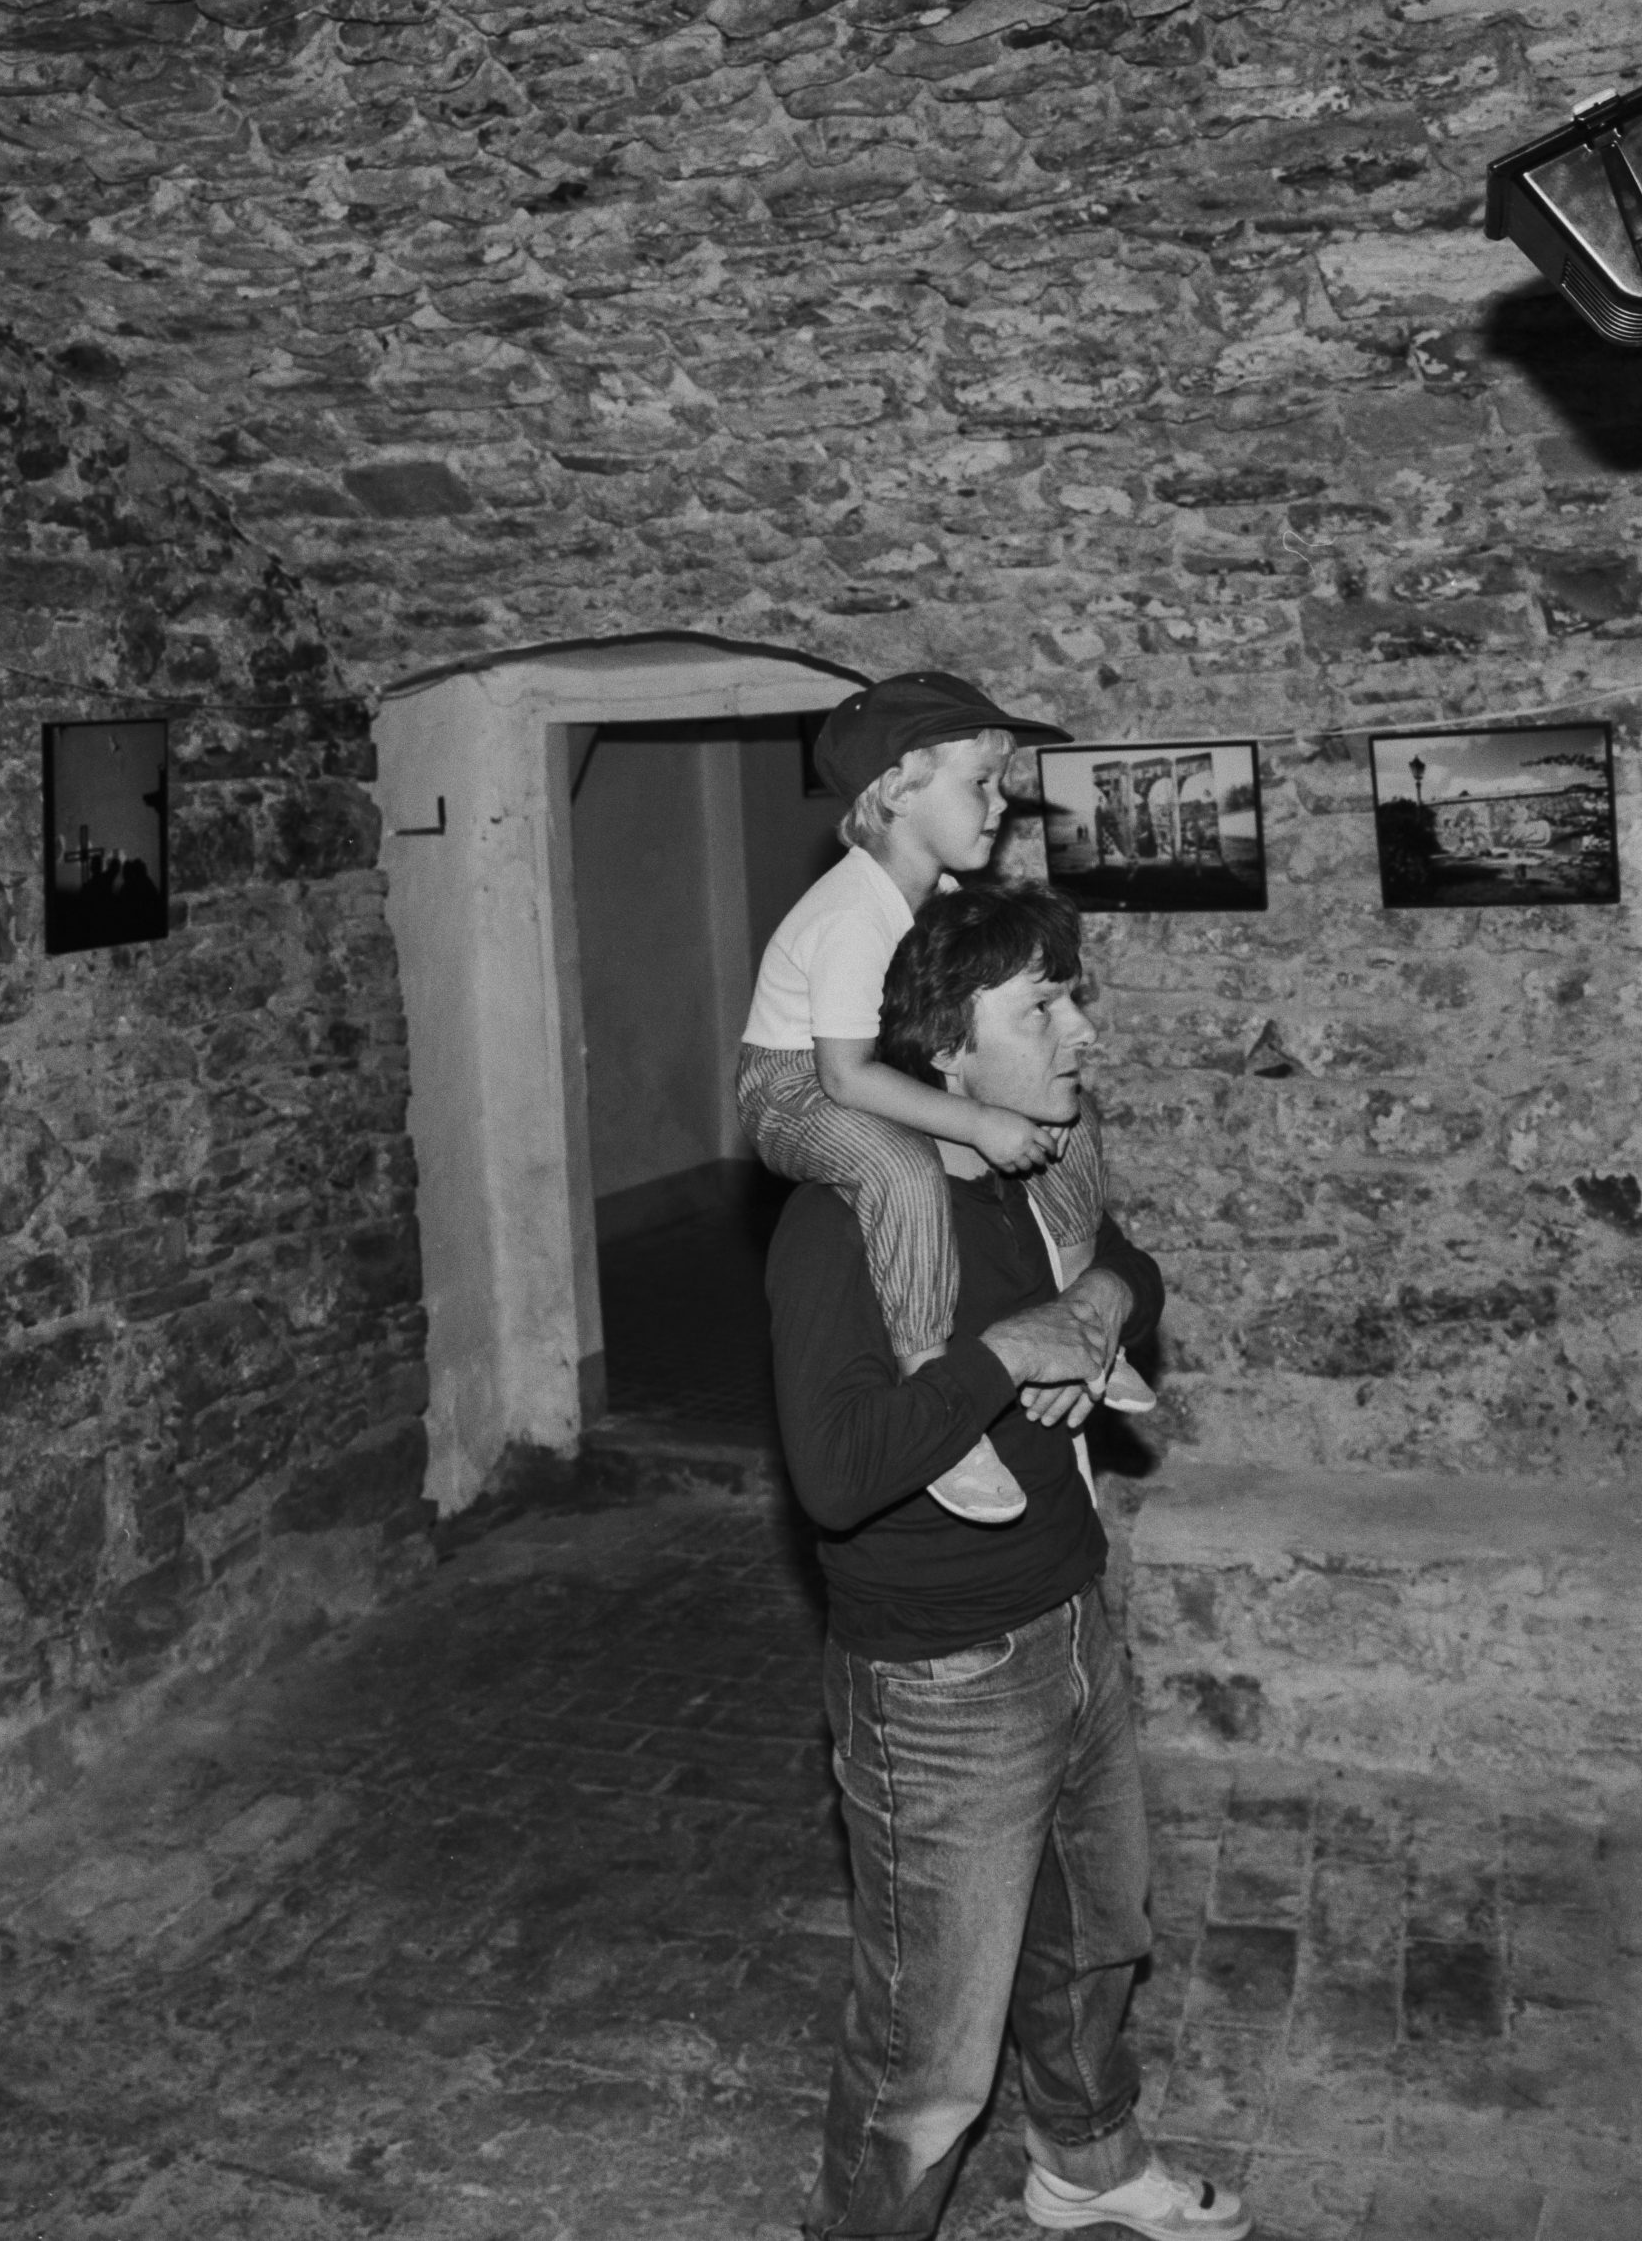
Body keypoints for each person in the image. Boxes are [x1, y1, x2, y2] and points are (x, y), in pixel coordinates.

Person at [768, 880, 1249, 2241]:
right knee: (928, 2051)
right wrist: (999, 1356)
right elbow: (835, 1472)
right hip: (940, 1680)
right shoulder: (841, 1221)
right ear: (946, 1049)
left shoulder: (1034, 1174)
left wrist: (1092, 1304)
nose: (1080, 1028)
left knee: (1096, 1939)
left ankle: (1084, 2161)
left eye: (1073, 997)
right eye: (1042, 1007)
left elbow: (1132, 1270)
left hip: (1070, 1617)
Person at [739, 672, 1149, 1529]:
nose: (1000, 805)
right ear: (898, 789)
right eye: (981, 783)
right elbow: (844, 1078)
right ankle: (934, 1383)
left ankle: (1082, 1322)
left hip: (882, 1069)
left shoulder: (944, 900)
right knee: (899, 1167)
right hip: (795, 1090)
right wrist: (978, 1121)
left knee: (1065, 1122)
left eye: (1001, 784)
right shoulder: (854, 911)